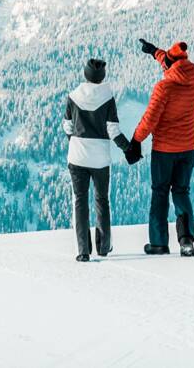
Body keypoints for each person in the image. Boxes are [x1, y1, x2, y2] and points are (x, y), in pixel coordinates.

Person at [125, 39, 194, 257]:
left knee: (160, 194)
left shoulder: (164, 87)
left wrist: (135, 141)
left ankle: (158, 243)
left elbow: (150, 119)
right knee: (181, 192)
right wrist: (154, 52)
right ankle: (186, 240)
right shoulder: (193, 79)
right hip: (188, 149)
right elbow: (170, 64)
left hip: (165, 151)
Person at [63, 58, 131, 262]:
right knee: (102, 200)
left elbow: (67, 126)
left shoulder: (73, 96)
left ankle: (83, 250)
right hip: (100, 158)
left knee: (80, 201)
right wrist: (128, 149)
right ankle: (103, 246)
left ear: (85, 74)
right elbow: (113, 130)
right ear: (102, 77)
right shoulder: (107, 97)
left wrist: (75, 141)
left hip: (77, 156)